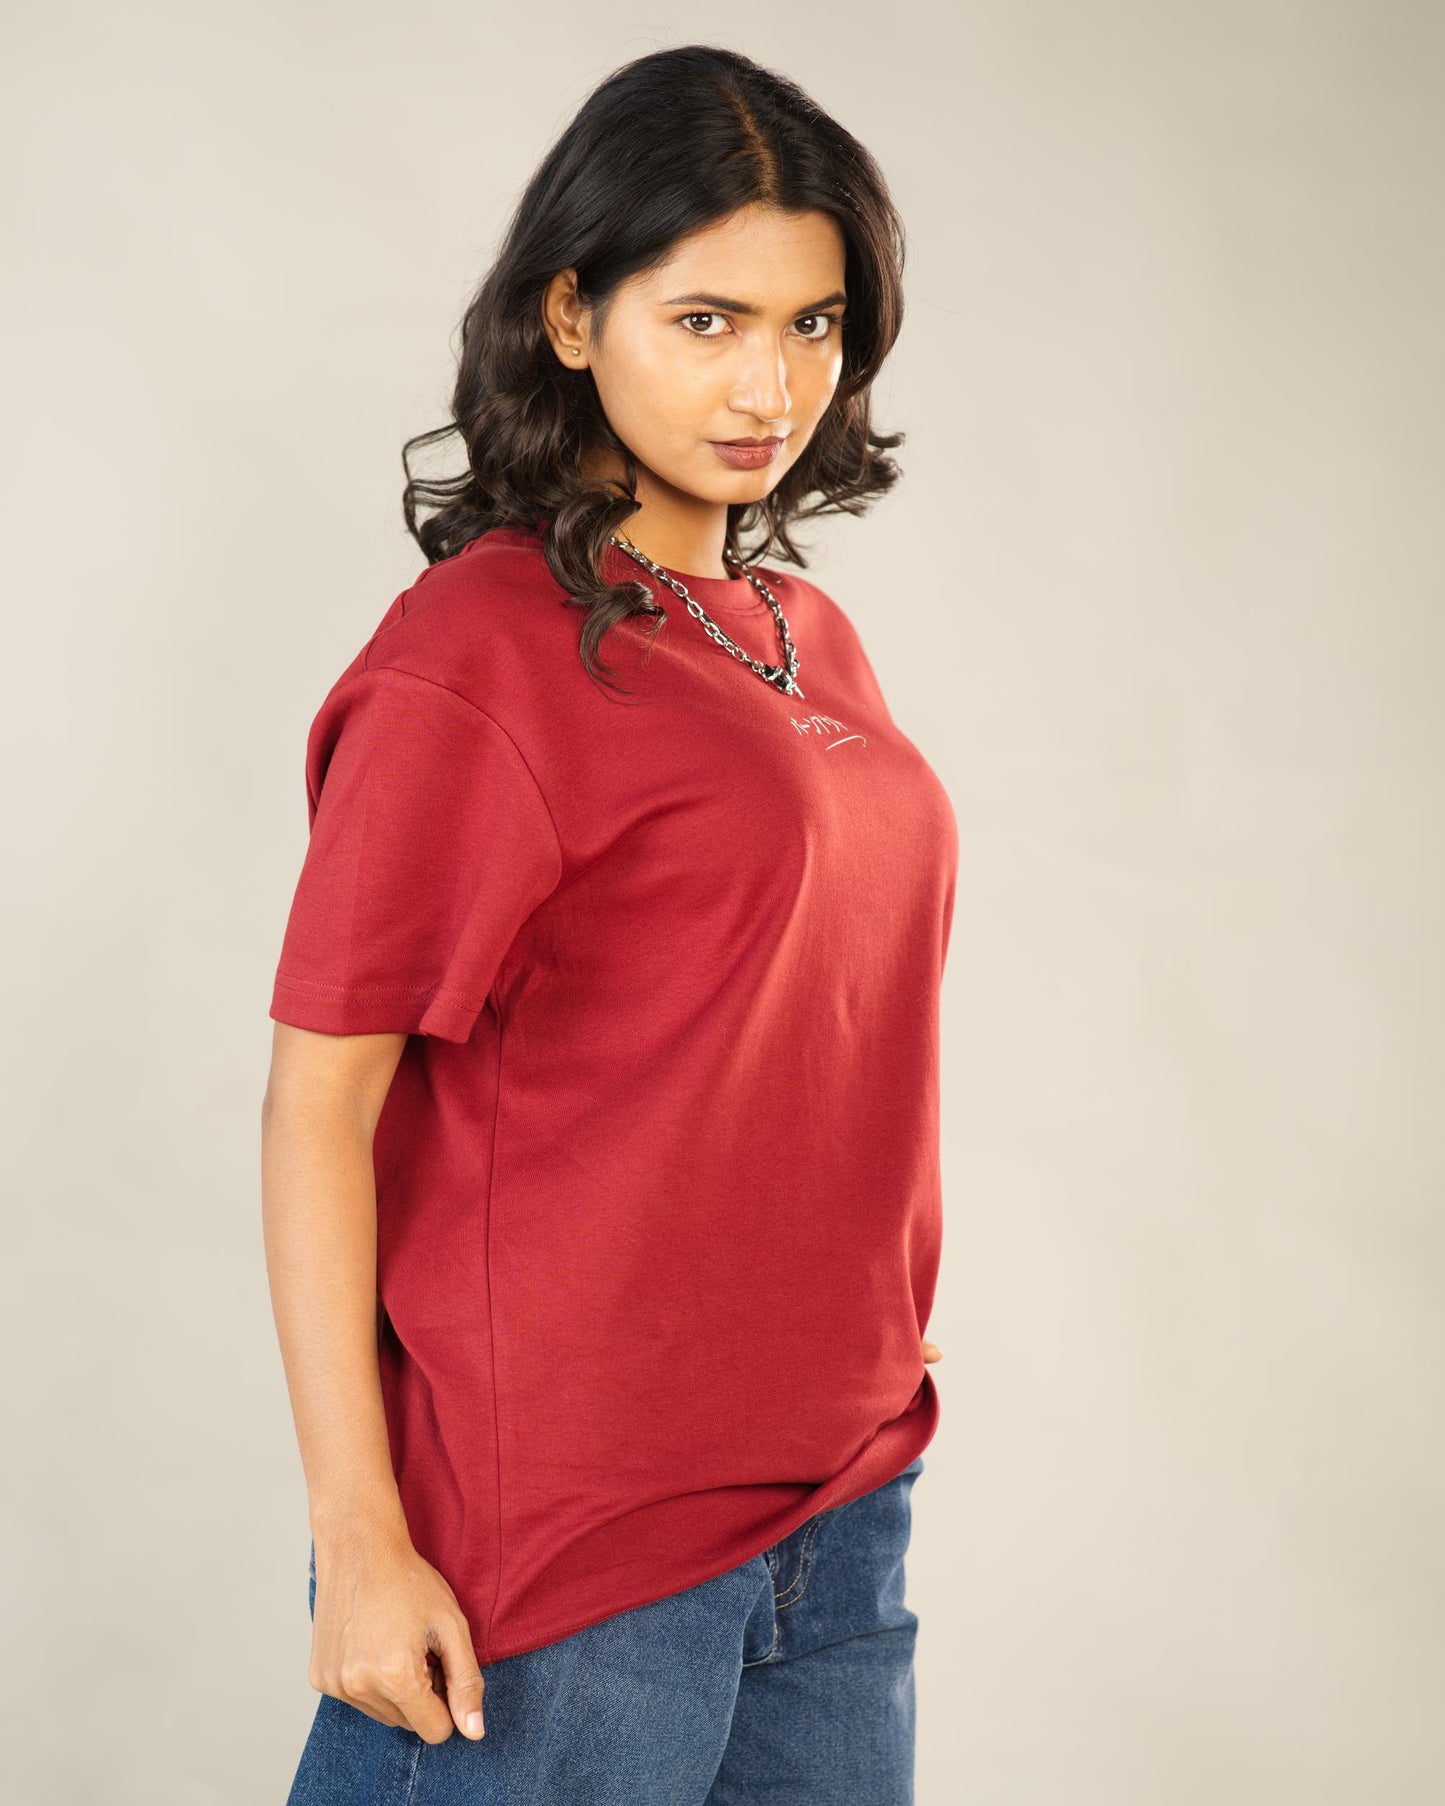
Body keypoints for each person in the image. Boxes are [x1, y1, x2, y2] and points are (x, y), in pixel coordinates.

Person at [262, 41, 959, 1805]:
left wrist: (843, 1307)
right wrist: (359, 1539)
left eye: (815, 325)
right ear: (572, 315)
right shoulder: (473, 660)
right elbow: (318, 1107)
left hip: (832, 1517)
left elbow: (779, 1021)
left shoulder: (800, 633)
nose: (771, 380)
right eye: (707, 319)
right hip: (566, 1557)